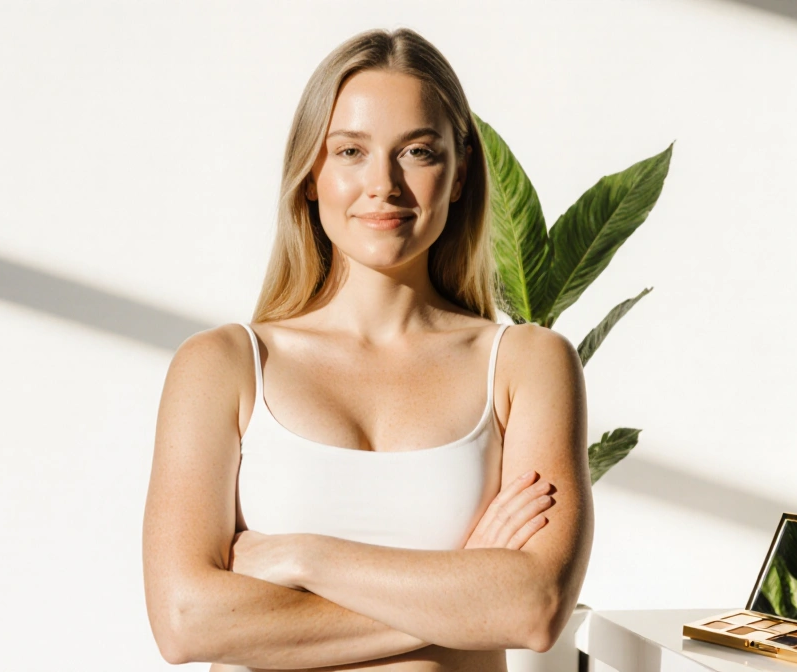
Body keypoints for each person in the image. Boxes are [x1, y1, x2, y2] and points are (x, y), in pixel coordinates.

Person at [142, 27, 593, 671]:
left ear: (460, 172)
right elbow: (186, 622)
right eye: (350, 150)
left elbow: (536, 606)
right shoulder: (224, 366)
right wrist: (462, 590)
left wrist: (305, 557)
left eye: (416, 151)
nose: (383, 184)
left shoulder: (528, 363)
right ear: (310, 176)